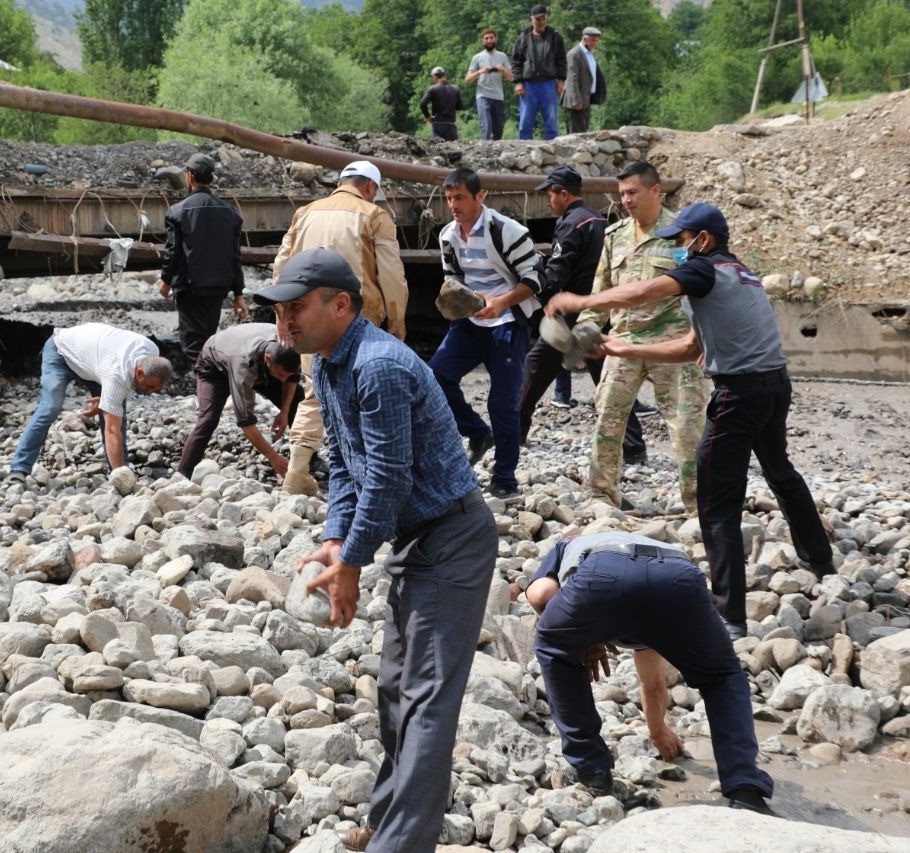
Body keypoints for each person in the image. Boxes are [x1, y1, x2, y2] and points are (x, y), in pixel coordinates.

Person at [254, 248, 497, 853]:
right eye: (280, 310)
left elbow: (387, 477)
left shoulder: (378, 365)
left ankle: (402, 844)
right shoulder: (331, 362)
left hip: (453, 537)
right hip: (418, 539)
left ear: (341, 305)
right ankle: (390, 820)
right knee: (393, 688)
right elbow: (345, 468)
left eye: (297, 308)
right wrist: (338, 538)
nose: (285, 322)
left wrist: (352, 564)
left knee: (427, 697)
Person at [550, 203, 836, 638]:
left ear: (703, 239)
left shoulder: (705, 269)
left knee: (716, 502)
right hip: (774, 386)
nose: (678, 250)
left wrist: (583, 301)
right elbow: (689, 348)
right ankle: (819, 559)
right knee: (781, 472)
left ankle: (730, 617)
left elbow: (644, 292)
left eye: (682, 241)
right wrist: (617, 348)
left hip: (738, 394)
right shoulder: (739, 273)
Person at [524, 532, 775, 814]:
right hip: (677, 579)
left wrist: (578, 637)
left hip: (601, 577)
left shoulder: (564, 545)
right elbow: (653, 684)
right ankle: (745, 789)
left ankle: (593, 771)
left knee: (552, 647)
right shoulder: (645, 555)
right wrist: (657, 731)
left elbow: (541, 593)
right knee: (722, 676)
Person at [559, 162, 707, 512]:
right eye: (622, 193)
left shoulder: (681, 236)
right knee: (608, 421)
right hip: (622, 341)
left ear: (656, 191)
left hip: (672, 342)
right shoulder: (615, 235)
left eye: (632, 192)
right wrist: (585, 331)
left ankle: (700, 504)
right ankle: (601, 496)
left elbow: (699, 289)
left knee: (686, 425)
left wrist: (703, 339)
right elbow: (602, 289)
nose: (626, 200)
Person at [272, 160, 408, 495]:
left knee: (313, 391)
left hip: (307, 316)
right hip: (354, 318)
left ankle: (298, 470)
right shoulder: (374, 215)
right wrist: (397, 316)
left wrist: (283, 314)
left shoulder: (305, 213)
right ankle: (365, 474)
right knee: (362, 393)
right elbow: (390, 272)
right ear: (370, 188)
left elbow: (281, 266)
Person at [518, 166, 646, 462]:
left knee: (534, 369)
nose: (548, 201)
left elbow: (558, 270)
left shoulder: (570, 224)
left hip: (572, 312)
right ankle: (634, 448)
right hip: (602, 311)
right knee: (609, 381)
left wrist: (539, 288)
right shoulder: (601, 221)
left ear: (564, 194)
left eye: (550, 194)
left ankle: (514, 431)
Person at [432, 167, 542, 498]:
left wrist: (500, 302)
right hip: (469, 322)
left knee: (503, 403)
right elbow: (453, 279)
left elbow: (535, 280)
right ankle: (477, 433)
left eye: (460, 197)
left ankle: (505, 479)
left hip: (507, 322)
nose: (454, 204)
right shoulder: (447, 236)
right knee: (435, 376)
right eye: (449, 198)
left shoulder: (507, 231)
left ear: (480, 196)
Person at [7, 323, 172, 483]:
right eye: (149, 387)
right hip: (61, 352)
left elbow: (123, 383)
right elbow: (111, 431)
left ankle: (120, 470)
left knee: (115, 412)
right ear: (140, 372)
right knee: (50, 408)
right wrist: (125, 485)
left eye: (155, 389)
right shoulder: (116, 375)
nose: (150, 392)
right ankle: (19, 469)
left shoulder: (151, 351)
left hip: (95, 363)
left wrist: (106, 401)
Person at [176, 323, 302, 480]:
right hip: (214, 368)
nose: (284, 379)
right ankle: (182, 474)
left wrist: (284, 412)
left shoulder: (288, 345)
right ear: (268, 359)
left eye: (287, 375)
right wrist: (273, 457)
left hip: (259, 363)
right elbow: (246, 421)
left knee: (298, 399)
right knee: (208, 419)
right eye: (281, 374)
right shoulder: (243, 367)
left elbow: (291, 378)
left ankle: (308, 457)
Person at [157, 153, 248, 366]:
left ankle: (207, 392)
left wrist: (166, 280)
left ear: (189, 177)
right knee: (208, 340)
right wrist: (238, 293)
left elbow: (173, 251)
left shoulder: (177, 212)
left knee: (193, 346)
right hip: (218, 288)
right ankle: (212, 389)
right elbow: (235, 255)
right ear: (212, 178)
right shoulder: (230, 213)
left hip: (191, 289)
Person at [511, 4, 566, 140]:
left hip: (548, 84)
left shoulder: (555, 37)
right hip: (528, 85)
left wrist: (561, 81)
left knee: (551, 123)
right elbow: (516, 62)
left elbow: (562, 60)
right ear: (531, 20)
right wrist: (518, 82)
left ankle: (552, 151)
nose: (541, 22)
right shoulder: (523, 37)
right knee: (525, 122)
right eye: (538, 19)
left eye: (543, 19)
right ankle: (524, 151)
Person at [466, 27, 512, 140]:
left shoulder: (502, 56)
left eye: (491, 38)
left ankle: (495, 154)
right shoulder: (477, 57)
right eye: (486, 38)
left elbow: (512, 78)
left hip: (498, 96)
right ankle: (483, 152)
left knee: (498, 130)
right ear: (482, 41)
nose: (489, 40)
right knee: (486, 126)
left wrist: (503, 70)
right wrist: (480, 71)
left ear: (496, 39)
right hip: (483, 96)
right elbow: (468, 80)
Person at [562, 27, 606, 134]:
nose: (595, 44)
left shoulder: (589, 54)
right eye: (593, 41)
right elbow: (572, 78)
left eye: (596, 41)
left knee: (583, 131)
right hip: (577, 101)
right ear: (584, 39)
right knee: (576, 134)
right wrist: (575, 100)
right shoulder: (574, 54)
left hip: (586, 99)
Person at [419, 66, 464, 141]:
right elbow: (460, 107)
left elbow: (422, 104)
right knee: (454, 150)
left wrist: (428, 116)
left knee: (439, 150)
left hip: (438, 125)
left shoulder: (433, 89)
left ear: (434, 77)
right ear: (444, 75)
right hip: (451, 125)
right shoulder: (455, 89)